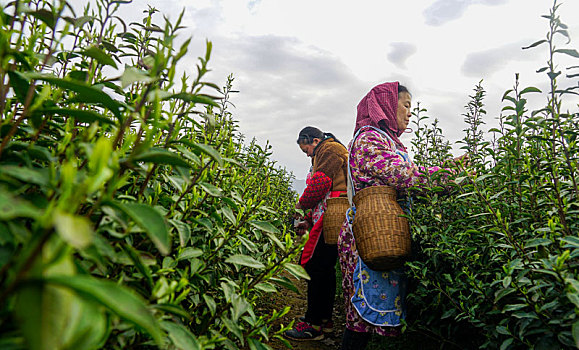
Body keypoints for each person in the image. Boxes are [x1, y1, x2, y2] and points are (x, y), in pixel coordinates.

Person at [338, 82, 462, 350]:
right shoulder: (368, 139)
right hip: (371, 236)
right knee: (360, 318)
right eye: (406, 105)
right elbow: (404, 175)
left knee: (367, 317)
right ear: (385, 105)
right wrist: (450, 176)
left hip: (385, 233)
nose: (409, 113)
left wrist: (446, 172)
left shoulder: (389, 141)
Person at [284, 126, 348, 341]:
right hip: (328, 212)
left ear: (313, 140)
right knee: (324, 269)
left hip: (332, 213)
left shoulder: (330, 150)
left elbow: (321, 184)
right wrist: (309, 217)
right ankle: (323, 321)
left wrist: (300, 207)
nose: (308, 155)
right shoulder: (326, 151)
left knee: (315, 266)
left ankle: (313, 325)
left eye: (307, 150)